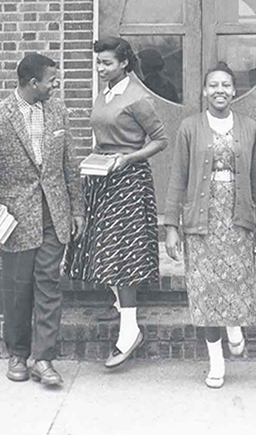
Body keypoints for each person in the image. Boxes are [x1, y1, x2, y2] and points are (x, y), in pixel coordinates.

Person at [0, 53, 85, 386]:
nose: (56, 85)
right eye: (51, 80)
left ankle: (43, 359)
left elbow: (69, 165)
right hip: (15, 220)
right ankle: (18, 353)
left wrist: (77, 209)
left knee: (49, 287)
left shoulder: (58, 111)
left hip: (53, 215)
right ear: (33, 83)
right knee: (18, 289)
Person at [64, 36, 168, 368]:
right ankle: (126, 315)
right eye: (98, 62)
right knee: (104, 249)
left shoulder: (138, 97)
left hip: (128, 181)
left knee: (123, 256)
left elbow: (161, 140)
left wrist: (130, 158)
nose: (100, 68)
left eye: (107, 62)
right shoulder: (105, 93)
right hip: (101, 179)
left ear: (124, 63)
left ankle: (129, 332)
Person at [164, 61, 256, 389]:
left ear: (234, 90)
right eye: (214, 85)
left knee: (235, 283)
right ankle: (216, 360)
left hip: (237, 220)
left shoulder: (248, 126)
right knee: (206, 291)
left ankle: (235, 326)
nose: (220, 90)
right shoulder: (189, 127)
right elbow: (178, 178)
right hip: (201, 220)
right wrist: (171, 225)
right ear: (204, 91)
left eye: (226, 84)